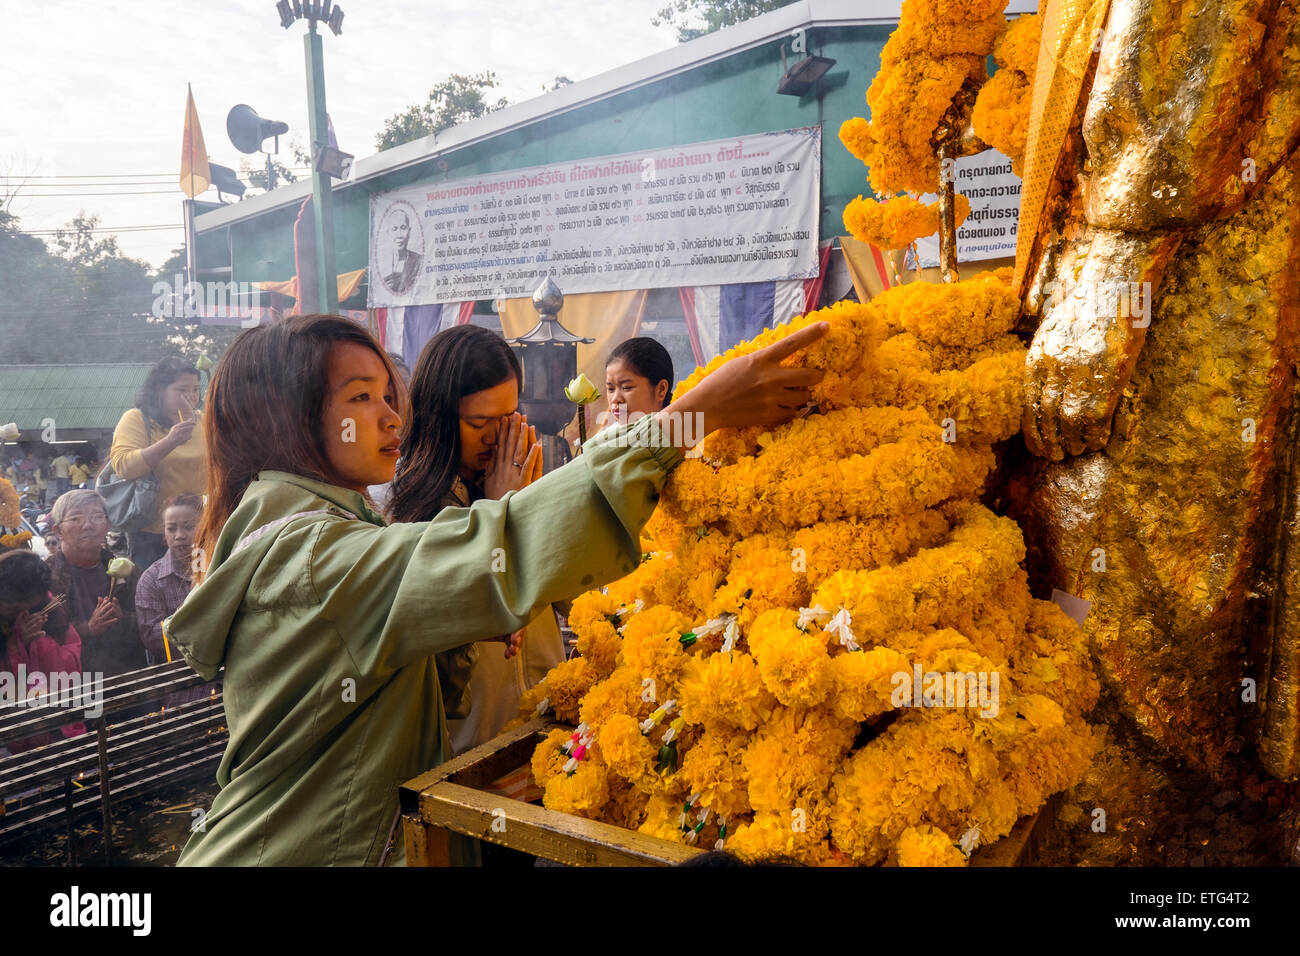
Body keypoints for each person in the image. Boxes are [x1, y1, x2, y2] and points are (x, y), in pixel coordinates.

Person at [164, 312, 825, 866]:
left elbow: (425, 676)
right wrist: (687, 419)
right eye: (360, 398)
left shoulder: (320, 533)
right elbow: (501, 550)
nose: (391, 418)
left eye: (389, 396)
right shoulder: (313, 560)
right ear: (284, 418)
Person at [388, 325, 549, 756]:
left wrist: (532, 505)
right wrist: (497, 514)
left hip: (543, 726)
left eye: (509, 417)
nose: (496, 437)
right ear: (438, 419)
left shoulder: (517, 482)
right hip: (469, 751)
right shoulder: (412, 517)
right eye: (479, 422)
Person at [109, 357, 206, 571]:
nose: (191, 397)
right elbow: (124, 466)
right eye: (182, 390)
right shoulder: (137, 419)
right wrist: (170, 441)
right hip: (152, 532)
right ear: (160, 390)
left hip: (200, 530)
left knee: (197, 588)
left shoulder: (204, 421)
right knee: (154, 590)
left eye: (196, 390)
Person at [46, 490, 144, 678]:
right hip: (70, 683)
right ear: (58, 531)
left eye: (97, 517)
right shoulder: (44, 577)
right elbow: (39, 635)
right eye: (75, 519)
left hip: (127, 679)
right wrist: (88, 629)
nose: (88, 525)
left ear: (108, 525)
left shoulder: (126, 570)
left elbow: (150, 623)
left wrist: (121, 618)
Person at [0, 549, 87, 753]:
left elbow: (71, 662)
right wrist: (14, 646)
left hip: (50, 724)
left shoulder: (46, 605)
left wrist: (36, 644)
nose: (24, 615)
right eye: (13, 610)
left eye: (29, 608)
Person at [135, 493, 201, 667]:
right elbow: (152, 639)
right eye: (171, 528)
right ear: (164, 533)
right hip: (181, 681)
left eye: (189, 527)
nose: (179, 535)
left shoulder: (220, 565)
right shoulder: (151, 580)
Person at [384, 210, 422, 294]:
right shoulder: (382, 263)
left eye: (403, 228)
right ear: (388, 233)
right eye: (394, 229)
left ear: (409, 231)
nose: (399, 235)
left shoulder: (419, 261)